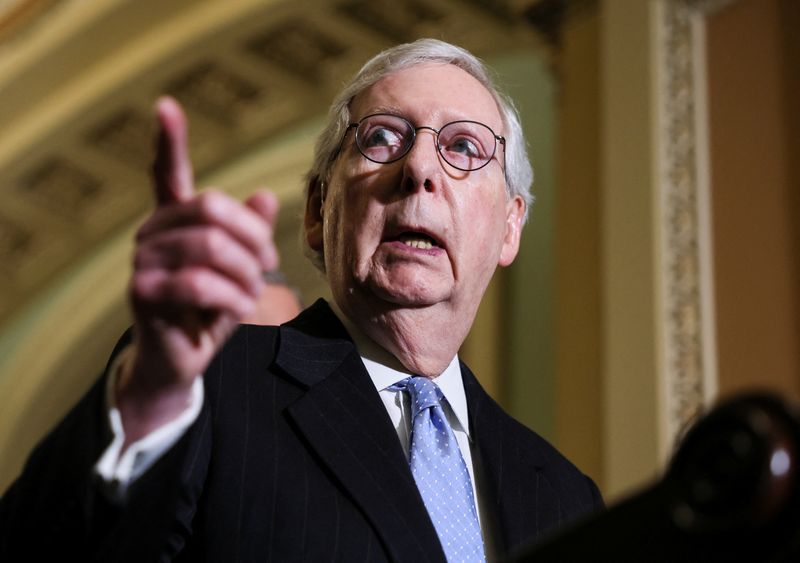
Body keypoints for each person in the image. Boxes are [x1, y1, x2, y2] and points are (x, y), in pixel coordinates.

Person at [0, 39, 602, 561]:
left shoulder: (566, 496)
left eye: (465, 148)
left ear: (509, 228)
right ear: (318, 212)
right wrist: (146, 404)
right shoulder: (209, 387)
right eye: (383, 137)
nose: (420, 167)